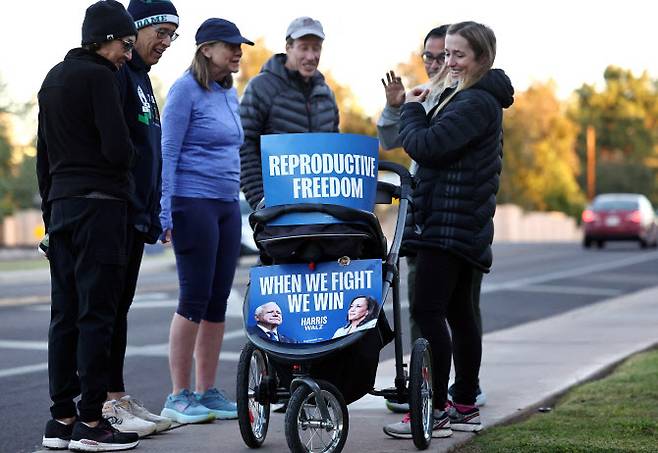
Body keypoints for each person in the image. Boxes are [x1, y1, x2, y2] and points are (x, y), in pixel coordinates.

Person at [383, 21, 514, 439]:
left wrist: (411, 108)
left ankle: (435, 408)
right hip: (458, 225)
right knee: (459, 315)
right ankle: (463, 404)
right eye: (446, 54)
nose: (449, 62)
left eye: (459, 54)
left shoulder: (475, 102)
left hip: (449, 227)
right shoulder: (472, 98)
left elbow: (427, 147)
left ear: (481, 58)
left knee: (428, 311)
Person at [37, 1, 140, 451]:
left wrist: (49, 215)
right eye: (125, 44)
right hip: (100, 207)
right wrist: (131, 161)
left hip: (61, 209)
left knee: (64, 316)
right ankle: (93, 421)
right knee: (96, 314)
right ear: (103, 38)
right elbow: (118, 148)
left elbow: (43, 157)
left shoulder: (52, 79)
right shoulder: (102, 76)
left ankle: (61, 418)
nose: (127, 55)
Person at [158, 18, 253, 424]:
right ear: (205, 49)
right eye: (230, 45)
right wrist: (163, 209)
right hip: (191, 202)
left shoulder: (228, 94)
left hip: (227, 204)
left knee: (217, 300)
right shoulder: (184, 90)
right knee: (193, 297)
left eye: (240, 46)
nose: (238, 52)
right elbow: (169, 151)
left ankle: (207, 390)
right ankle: (178, 396)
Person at [101, 0, 180, 435]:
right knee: (107, 310)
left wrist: (151, 210)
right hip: (114, 212)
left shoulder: (144, 81)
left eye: (173, 35)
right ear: (137, 29)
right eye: (161, 32)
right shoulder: (118, 76)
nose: (166, 43)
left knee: (121, 308)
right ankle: (106, 402)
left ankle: (117, 393)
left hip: (136, 213)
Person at [239, 16, 339, 209]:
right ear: (288, 47)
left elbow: (333, 152)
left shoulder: (326, 94)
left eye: (316, 48)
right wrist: (260, 201)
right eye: (304, 47)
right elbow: (244, 145)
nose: (311, 56)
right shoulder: (261, 87)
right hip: (277, 206)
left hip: (321, 207)